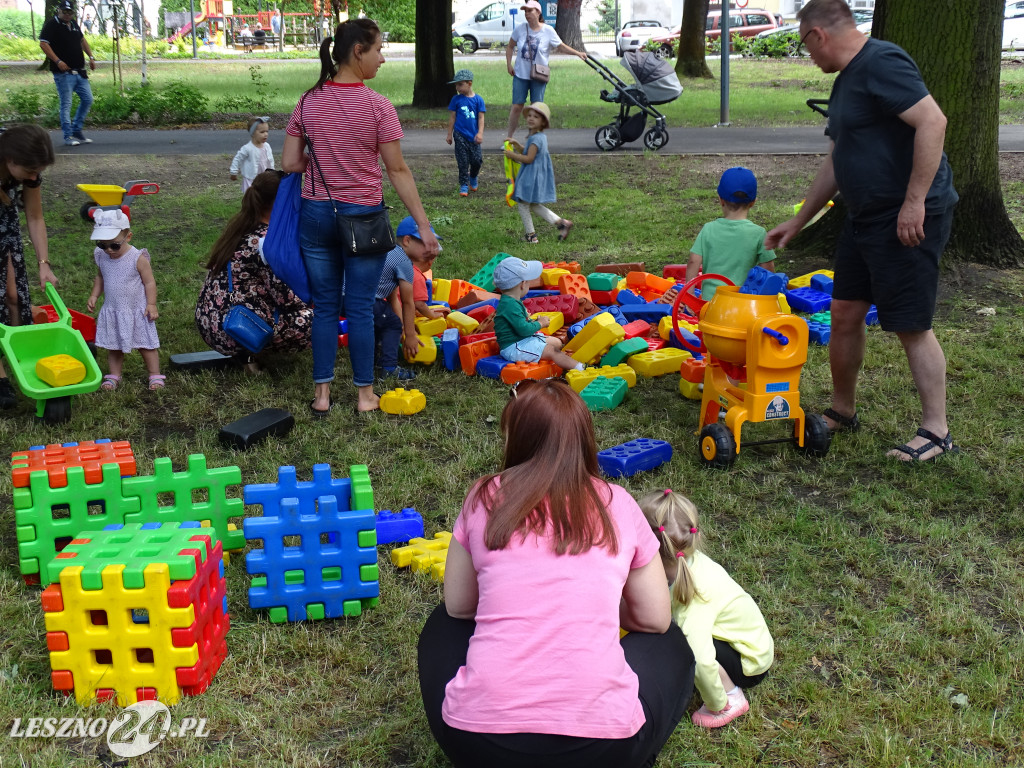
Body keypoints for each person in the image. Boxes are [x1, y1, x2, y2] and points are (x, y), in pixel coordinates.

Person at [418, 379, 695, 768]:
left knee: (441, 623)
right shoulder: (618, 502)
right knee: (671, 642)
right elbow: (654, 617)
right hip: (603, 750)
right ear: (585, 438)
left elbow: (460, 605)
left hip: (480, 746)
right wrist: (587, 610)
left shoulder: (484, 495)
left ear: (517, 439)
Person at [764, 0, 959, 463]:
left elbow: (934, 121)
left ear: (818, 34)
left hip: (906, 216)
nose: (808, 56)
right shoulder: (846, 81)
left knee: (910, 323)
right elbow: (838, 157)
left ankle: (937, 430)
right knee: (845, 312)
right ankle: (843, 410)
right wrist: (800, 218)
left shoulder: (882, 62)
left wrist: (913, 203)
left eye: (804, 44)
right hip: (864, 216)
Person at [281, 18, 439, 415]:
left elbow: (289, 162)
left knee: (325, 307)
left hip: (317, 214)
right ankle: (365, 395)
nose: (382, 58)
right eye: (379, 49)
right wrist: (422, 225)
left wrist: (325, 159)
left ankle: (322, 395)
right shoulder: (378, 106)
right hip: (364, 220)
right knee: (361, 306)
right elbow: (397, 170)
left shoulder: (307, 101)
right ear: (358, 51)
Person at [638, 489, 773, 729]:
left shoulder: (694, 594)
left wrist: (716, 702)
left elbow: (700, 657)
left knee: (683, 644)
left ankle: (730, 699)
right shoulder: (684, 562)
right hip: (746, 641)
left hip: (749, 661)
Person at [195, 170, 313, 375]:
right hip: (235, 327)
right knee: (321, 319)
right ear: (281, 202)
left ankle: (247, 353)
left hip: (211, 320)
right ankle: (249, 352)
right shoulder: (267, 242)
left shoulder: (242, 226)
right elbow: (286, 298)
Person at [0, 125, 57, 410]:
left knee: (14, 297)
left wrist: (43, 264)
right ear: (9, 160)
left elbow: (34, 217)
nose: (34, 177)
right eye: (30, 170)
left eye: (39, 171)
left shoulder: (28, 171)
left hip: (5, 226)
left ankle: (20, 360)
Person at [85, 210, 164, 391]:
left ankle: (154, 374)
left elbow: (149, 282)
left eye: (114, 245)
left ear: (128, 236)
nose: (108, 250)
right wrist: (94, 295)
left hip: (136, 309)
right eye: (102, 245)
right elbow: (100, 277)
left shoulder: (137, 258)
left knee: (146, 344)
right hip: (114, 309)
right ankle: (114, 375)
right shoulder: (101, 255)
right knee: (114, 345)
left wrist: (151, 304)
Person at [686, 166, 776, 302]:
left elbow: (694, 260)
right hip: (743, 304)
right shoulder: (759, 233)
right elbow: (768, 271)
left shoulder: (708, 229)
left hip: (710, 304)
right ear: (753, 202)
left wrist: (690, 295)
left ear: (721, 199)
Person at [504, 0, 586, 141]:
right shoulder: (520, 29)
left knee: (536, 109)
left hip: (539, 75)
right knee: (517, 106)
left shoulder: (548, 30)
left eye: (530, 11)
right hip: (520, 74)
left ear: (538, 12)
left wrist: (577, 53)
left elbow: (561, 46)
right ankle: (509, 138)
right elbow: (510, 46)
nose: (527, 14)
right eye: (525, 11)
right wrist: (509, 64)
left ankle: (533, 139)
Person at [493, 257, 585, 373]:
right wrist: (540, 323)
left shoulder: (512, 301)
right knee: (552, 351)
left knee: (556, 342)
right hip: (514, 346)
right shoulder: (510, 305)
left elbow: (518, 325)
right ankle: (581, 368)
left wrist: (530, 320)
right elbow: (524, 330)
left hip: (522, 339)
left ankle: (567, 358)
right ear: (522, 284)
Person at [372, 216, 436, 381]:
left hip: (349, 296)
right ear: (407, 240)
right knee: (391, 323)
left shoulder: (389, 251)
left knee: (380, 322)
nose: (431, 248)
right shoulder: (404, 263)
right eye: (425, 243)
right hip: (368, 299)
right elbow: (409, 302)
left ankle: (373, 360)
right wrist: (410, 335)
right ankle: (389, 368)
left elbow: (393, 298)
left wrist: (402, 328)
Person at [503, 102, 573, 243]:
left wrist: (513, 156)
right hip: (536, 176)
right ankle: (561, 223)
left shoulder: (535, 139)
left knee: (523, 204)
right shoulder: (538, 137)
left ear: (542, 122)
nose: (531, 118)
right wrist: (517, 145)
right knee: (533, 205)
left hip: (531, 177)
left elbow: (529, 158)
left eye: (536, 117)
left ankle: (531, 236)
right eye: (529, 115)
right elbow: (528, 152)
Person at [39, 0, 97, 147]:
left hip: (80, 71)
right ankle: (68, 135)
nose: (67, 14)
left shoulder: (74, 25)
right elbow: (43, 43)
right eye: (64, 12)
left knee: (88, 99)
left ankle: (77, 129)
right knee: (66, 103)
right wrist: (58, 61)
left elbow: (82, 40)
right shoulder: (52, 24)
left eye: (69, 12)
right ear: (59, 11)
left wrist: (90, 57)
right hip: (63, 73)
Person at [446, 68, 486, 197]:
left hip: (473, 136)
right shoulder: (456, 100)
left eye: (460, 84)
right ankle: (464, 184)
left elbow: (481, 118)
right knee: (462, 161)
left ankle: (473, 176)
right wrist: (449, 134)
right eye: (456, 85)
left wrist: (480, 133)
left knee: (477, 161)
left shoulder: (478, 100)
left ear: (469, 83)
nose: (457, 88)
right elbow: (452, 117)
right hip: (460, 134)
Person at [230, 117, 275, 193]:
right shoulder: (247, 148)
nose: (266, 134)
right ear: (253, 133)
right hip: (251, 178)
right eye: (262, 132)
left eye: (267, 131)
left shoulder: (267, 146)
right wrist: (233, 172)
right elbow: (237, 159)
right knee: (251, 197)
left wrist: (273, 173)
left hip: (264, 178)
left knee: (264, 195)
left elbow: (270, 161)